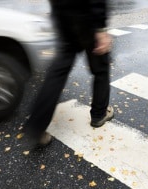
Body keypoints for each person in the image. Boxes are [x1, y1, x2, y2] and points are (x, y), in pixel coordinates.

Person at [23, 0, 113, 147]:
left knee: (58, 72)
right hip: (86, 14)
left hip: (62, 13)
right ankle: (99, 114)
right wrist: (101, 28)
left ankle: (36, 128)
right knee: (101, 68)